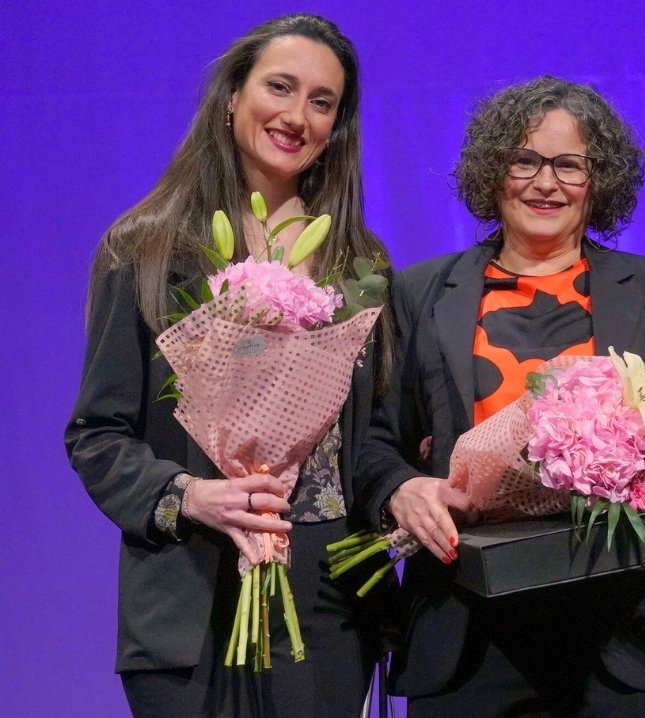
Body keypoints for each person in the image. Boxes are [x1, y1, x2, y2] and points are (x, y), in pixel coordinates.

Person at [65, 14, 395, 717]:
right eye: (279, 87)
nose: (296, 115)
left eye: (321, 102)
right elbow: (97, 435)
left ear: (337, 126)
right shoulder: (145, 249)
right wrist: (190, 494)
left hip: (326, 602)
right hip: (190, 596)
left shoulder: (360, 264)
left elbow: (372, 443)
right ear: (231, 100)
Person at [354, 76, 645, 716]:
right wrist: (401, 489)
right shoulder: (421, 290)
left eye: (570, 164)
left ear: (601, 181)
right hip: (464, 629)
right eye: (525, 160)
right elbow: (376, 439)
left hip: (623, 626)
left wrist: (639, 529)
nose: (547, 182)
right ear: (493, 171)